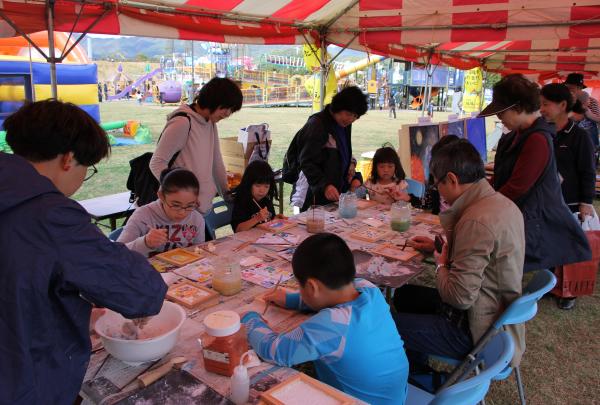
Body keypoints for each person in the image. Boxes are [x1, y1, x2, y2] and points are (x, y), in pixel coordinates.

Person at [0, 100, 167, 404]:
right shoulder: (49, 215)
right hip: (22, 382)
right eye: (87, 169)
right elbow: (143, 291)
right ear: (68, 159)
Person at [393, 140, 526, 371]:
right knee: (404, 295)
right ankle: (416, 368)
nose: (439, 192)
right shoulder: (501, 204)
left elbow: (459, 296)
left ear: (453, 179)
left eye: (438, 185)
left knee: (384, 324)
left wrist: (440, 265)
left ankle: (406, 374)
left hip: (474, 328)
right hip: (490, 308)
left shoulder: (476, 220)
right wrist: (443, 250)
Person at [241, 233, 409, 405]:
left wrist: (249, 318)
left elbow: (275, 351)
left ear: (312, 287)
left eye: (300, 285)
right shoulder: (369, 289)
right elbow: (328, 297)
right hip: (395, 397)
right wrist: (291, 299)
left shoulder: (332, 325)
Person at [480, 74, 591, 273]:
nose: (499, 118)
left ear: (518, 108)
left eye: (502, 112)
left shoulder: (538, 140)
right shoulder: (514, 136)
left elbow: (516, 187)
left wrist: (481, 207)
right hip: (513, 216)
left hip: (531, 223)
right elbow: (501, 177)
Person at [540, 83, 596, 310]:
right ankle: (550, 285)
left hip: (571, 201)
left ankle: (569, 292)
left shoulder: (580, 136)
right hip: (548, 200)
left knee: (568, 246)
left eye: (546, 104)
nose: (541, 109)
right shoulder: (545, 131)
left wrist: (586, 203)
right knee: (550, 244)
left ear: (562, 105)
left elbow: (588, 171)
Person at [150, 77, 242, 215]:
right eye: (226, 107)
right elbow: (156, 163)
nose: (228, 114)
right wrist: (181, 197)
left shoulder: (210, 123)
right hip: (182, 213)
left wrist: (227, 195)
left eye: (231, 110)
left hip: (202, 210)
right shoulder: (182, 122)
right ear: (213, 99)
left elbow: (217, 164)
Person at [288, 86, 369, 211]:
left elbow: (341, 151)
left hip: (335, 193)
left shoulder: (343, 124)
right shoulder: (317, 125)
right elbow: (306, 161)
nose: (350, 119)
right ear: (338, 107)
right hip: (314, 194)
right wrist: (325, 186)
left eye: (355, 116)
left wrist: (350, 165)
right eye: (348, 114)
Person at [117, 168, 205, 257]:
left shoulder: (197, 219)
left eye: (190, 205)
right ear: (161, 196)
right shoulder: (142, 216)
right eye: (176, 205)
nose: (182, 212)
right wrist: (145, 242)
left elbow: (199, 251)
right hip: (145, 269)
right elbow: (117, 253)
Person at [231, 160, 283, 232]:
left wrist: (276, 219)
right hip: (247, 240)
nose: (262, 191)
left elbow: (268, 221)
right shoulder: (242, 201)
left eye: (266, 186)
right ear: (249, 183)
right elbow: (238, 230)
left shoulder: (266, 200)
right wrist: (257, 219)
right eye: (257, 186)